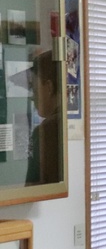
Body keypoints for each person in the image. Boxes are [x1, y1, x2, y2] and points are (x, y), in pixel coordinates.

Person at [26, 50, 62, 185]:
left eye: (35, 89)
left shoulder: (45, 131)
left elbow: (32, 189)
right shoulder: (63, 123)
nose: (32, 97)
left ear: (48, 87)